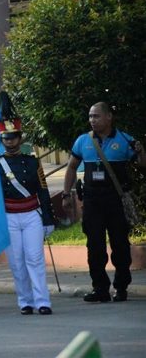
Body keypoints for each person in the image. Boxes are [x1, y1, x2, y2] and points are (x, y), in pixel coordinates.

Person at [63, 102, 146, 302]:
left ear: (109, 117)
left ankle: (121, 287)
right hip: (92, 200)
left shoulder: (125, 140)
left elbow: (143, 166)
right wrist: (66, 194)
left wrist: (141, 150)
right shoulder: (83, 141)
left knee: (120, 246)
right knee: (95, 246)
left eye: (97, 116)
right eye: (90, 116)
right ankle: (100, 288)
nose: (92, 120)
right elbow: (72, 167)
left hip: (115, 199)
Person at [0, 92, 54, 314]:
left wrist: (48, 218)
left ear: (20, 138)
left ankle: (43, 301)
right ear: (1, 140)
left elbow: (43, 190)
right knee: (17, 263)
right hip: (9, 216)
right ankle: (25, 301)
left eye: (14, 137)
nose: (10, 141)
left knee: (35, 258)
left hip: (31, 215)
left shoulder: (32, 161)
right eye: (6, 138)